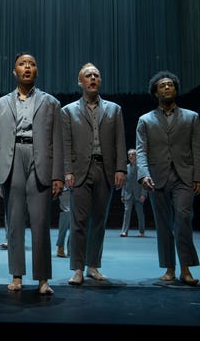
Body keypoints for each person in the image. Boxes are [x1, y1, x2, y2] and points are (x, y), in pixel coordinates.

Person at [0, 52, 64, 295]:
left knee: (41, 222)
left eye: (32, 63)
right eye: (22, 64)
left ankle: (43, 279)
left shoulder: (51, 102)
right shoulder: (1, 103)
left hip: (39, 157)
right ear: (15, 71)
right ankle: (17, 275)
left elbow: (58, 141)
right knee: (15, 222)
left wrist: (58, 175)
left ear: (37, 71)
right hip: (11, 159)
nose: (27, 67)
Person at [136, 70, 200, 286]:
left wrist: (198, 176)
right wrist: (144, 175)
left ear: (175, 90)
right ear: (155, 92)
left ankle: (186, 268)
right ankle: (169, 268)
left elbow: (197, 149)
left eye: (170, 85)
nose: (167, 88)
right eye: (162, 85)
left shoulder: (192, 117)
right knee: (163, 224)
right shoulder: (145, 120)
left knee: (183, 219)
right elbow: (141, 151)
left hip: (184, 176)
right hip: (157, 178)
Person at [62, 62, 127, 285]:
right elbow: (66, 144)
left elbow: (120, 141)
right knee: (78, 221)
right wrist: (67, 171)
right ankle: (77, 268)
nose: (92, 78)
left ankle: (93, 266)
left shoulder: (114, 109)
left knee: (99, 221)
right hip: (80, 171)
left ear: (100, 81)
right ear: (80, 82)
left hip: (105, 170)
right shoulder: (68, 111)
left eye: (96, 75)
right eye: (88, 75)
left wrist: (121, 168)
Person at [119, 148, 148, 237]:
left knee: (140, 214)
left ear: (136, 156)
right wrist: (122, 194)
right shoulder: (126, 168)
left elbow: (144, 181)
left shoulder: (140, 167)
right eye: (129, 155)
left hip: (138, 194)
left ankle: (141, 231)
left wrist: (144, 194)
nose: (131, 156)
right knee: (126, 213)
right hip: (128, 194)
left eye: (132, 154)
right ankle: (124, 231)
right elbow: (124, 182)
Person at [56, 186, 71, 257]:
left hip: (78, 184)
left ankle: (71, 248)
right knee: (66, 212)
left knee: (76, 218)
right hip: (65, 186)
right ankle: (60, 246)